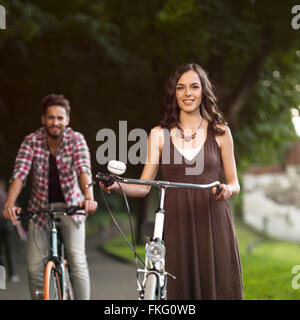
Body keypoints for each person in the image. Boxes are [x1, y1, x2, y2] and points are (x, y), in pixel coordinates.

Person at [101, 63, 243, 300]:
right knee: (178, 291)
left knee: (217, 289)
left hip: (213, 220)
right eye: (181, 88)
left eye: (194, 87)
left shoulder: (220, 131)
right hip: (176, 221)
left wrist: (228, 189)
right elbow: (144, 187)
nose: (188, 93)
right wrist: (116, 185)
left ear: (204, 92)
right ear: (174, 93)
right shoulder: (158, 134)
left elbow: (235, 183)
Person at [3, 94, 97, 299]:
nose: (56, 122)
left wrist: (88, 196)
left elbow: (83, 170)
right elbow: (20, 173)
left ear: (67, 120)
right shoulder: (31, 141)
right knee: (34, 265)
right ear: (43, 119)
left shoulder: (76, 140)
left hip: (72, 208)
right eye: (51, 117)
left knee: (76, 258)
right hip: (40, 210)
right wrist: (10, 203)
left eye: (60, 118)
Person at [0, 180, 20, 283]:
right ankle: (12, 274)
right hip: (7, 225)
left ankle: (2, 275)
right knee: (9, 251)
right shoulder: (7, 197)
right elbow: (15, 214)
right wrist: (20, 231)